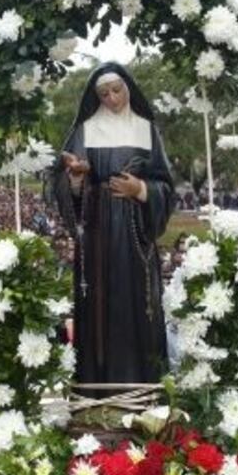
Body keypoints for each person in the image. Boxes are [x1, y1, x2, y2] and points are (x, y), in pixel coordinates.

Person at [49, 62, 175, 386]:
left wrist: (142, 190)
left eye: (117, 90)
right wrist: (76, 179)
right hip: (96, 235)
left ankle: (144, 389)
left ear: (129, 88)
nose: (112, 98)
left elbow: (166, 185)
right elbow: (63, 183)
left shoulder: (147, 130)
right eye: (104, 94)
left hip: (135, 235)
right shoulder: (85, 130)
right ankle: (98, 391)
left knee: (137, 310)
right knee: (99, 311)